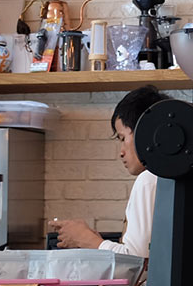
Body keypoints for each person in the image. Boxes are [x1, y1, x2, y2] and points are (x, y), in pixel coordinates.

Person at [48, 86, 170, 257]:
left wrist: (87, 240)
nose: (121, 151)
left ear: (145, 132)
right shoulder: (169, 177)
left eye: (123, 138)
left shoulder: (149, 180)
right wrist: (96, 242)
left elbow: (137, 262)